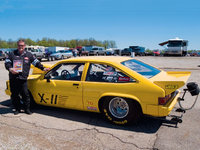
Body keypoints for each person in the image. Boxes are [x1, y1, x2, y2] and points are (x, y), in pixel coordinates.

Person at [5, 39, 49, 115]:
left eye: (22, 45)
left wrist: (43, 68)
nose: (20, 47)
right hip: (13, 78)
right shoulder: (12, 54)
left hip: (23, 78)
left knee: (25, 94)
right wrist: (10, 69)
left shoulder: (29, 55)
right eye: (19, 45)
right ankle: (17, 109)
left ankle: (27, 109)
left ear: (24, 46)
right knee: (15, 95)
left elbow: (36, 62)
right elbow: (7, 63)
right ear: (17, 46)